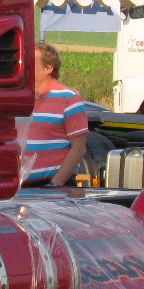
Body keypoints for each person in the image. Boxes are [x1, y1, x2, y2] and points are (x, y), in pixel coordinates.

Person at [21, 41, 88, 188]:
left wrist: (56, 183)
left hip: (50, 186)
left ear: (48, 68)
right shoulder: (19, 98)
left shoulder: (69, 97)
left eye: (32, 62)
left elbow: (79, 147)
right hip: (20, 186)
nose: (25, 66)